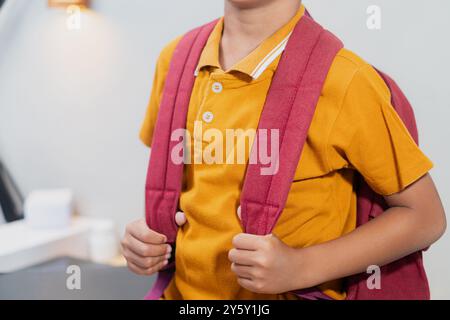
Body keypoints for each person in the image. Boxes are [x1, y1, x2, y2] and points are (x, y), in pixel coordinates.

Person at [121, 0, 446, 299]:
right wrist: (147, 239)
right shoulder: (176, 60)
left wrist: (300, 266)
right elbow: (193, 193)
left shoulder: (346, 80)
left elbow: (424, 217)